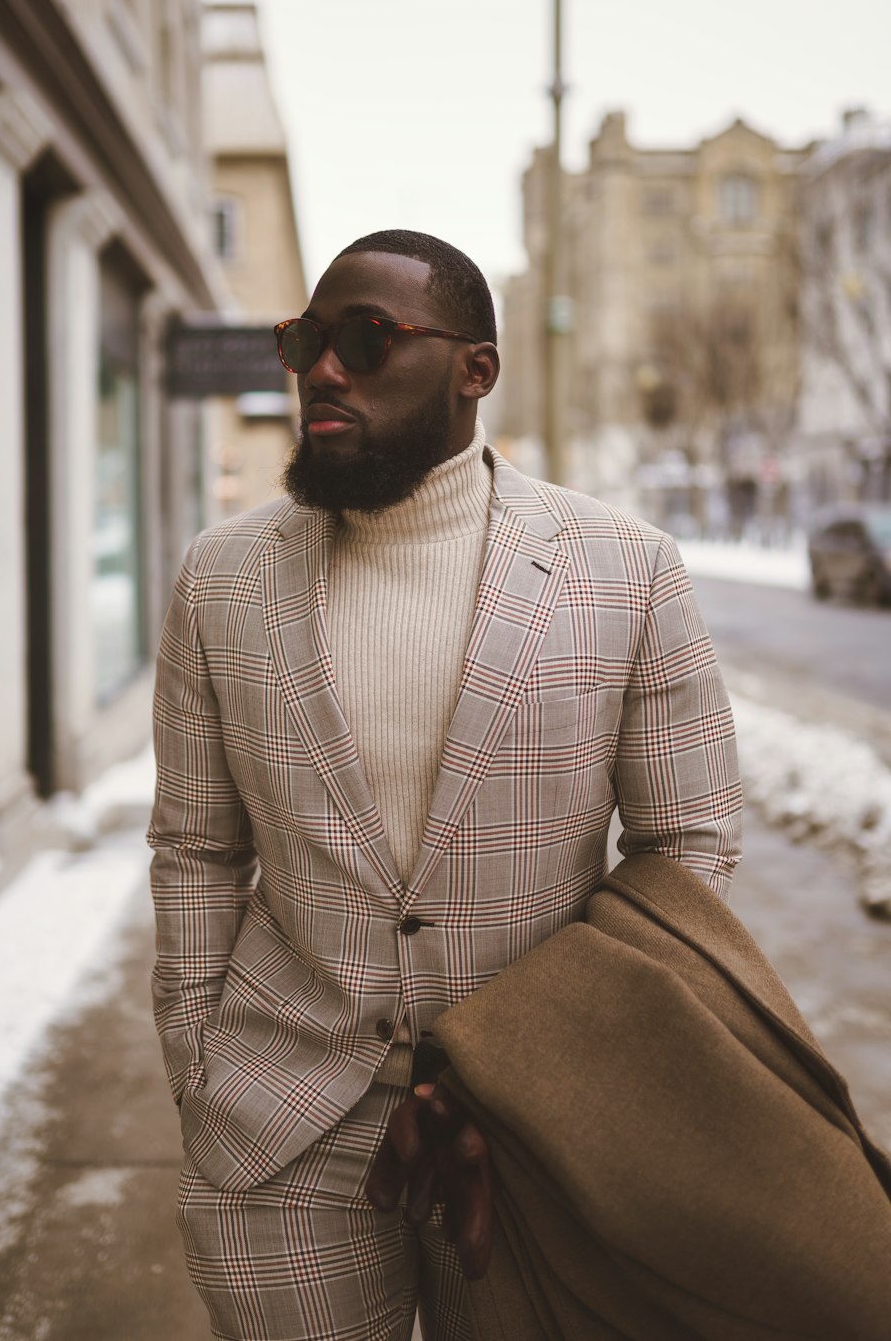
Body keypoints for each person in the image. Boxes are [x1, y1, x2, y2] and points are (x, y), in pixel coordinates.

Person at [148, 229, 742, 1341]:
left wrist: (558, 1056)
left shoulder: (624, 568)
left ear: (476, 369)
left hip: (538, 1124)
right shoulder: (220, 575)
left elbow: (686, 848)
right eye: (307, 338)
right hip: (280, 1118)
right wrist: (195, 1057)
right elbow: (194, 846)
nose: (323, 369)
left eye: (368, 339)